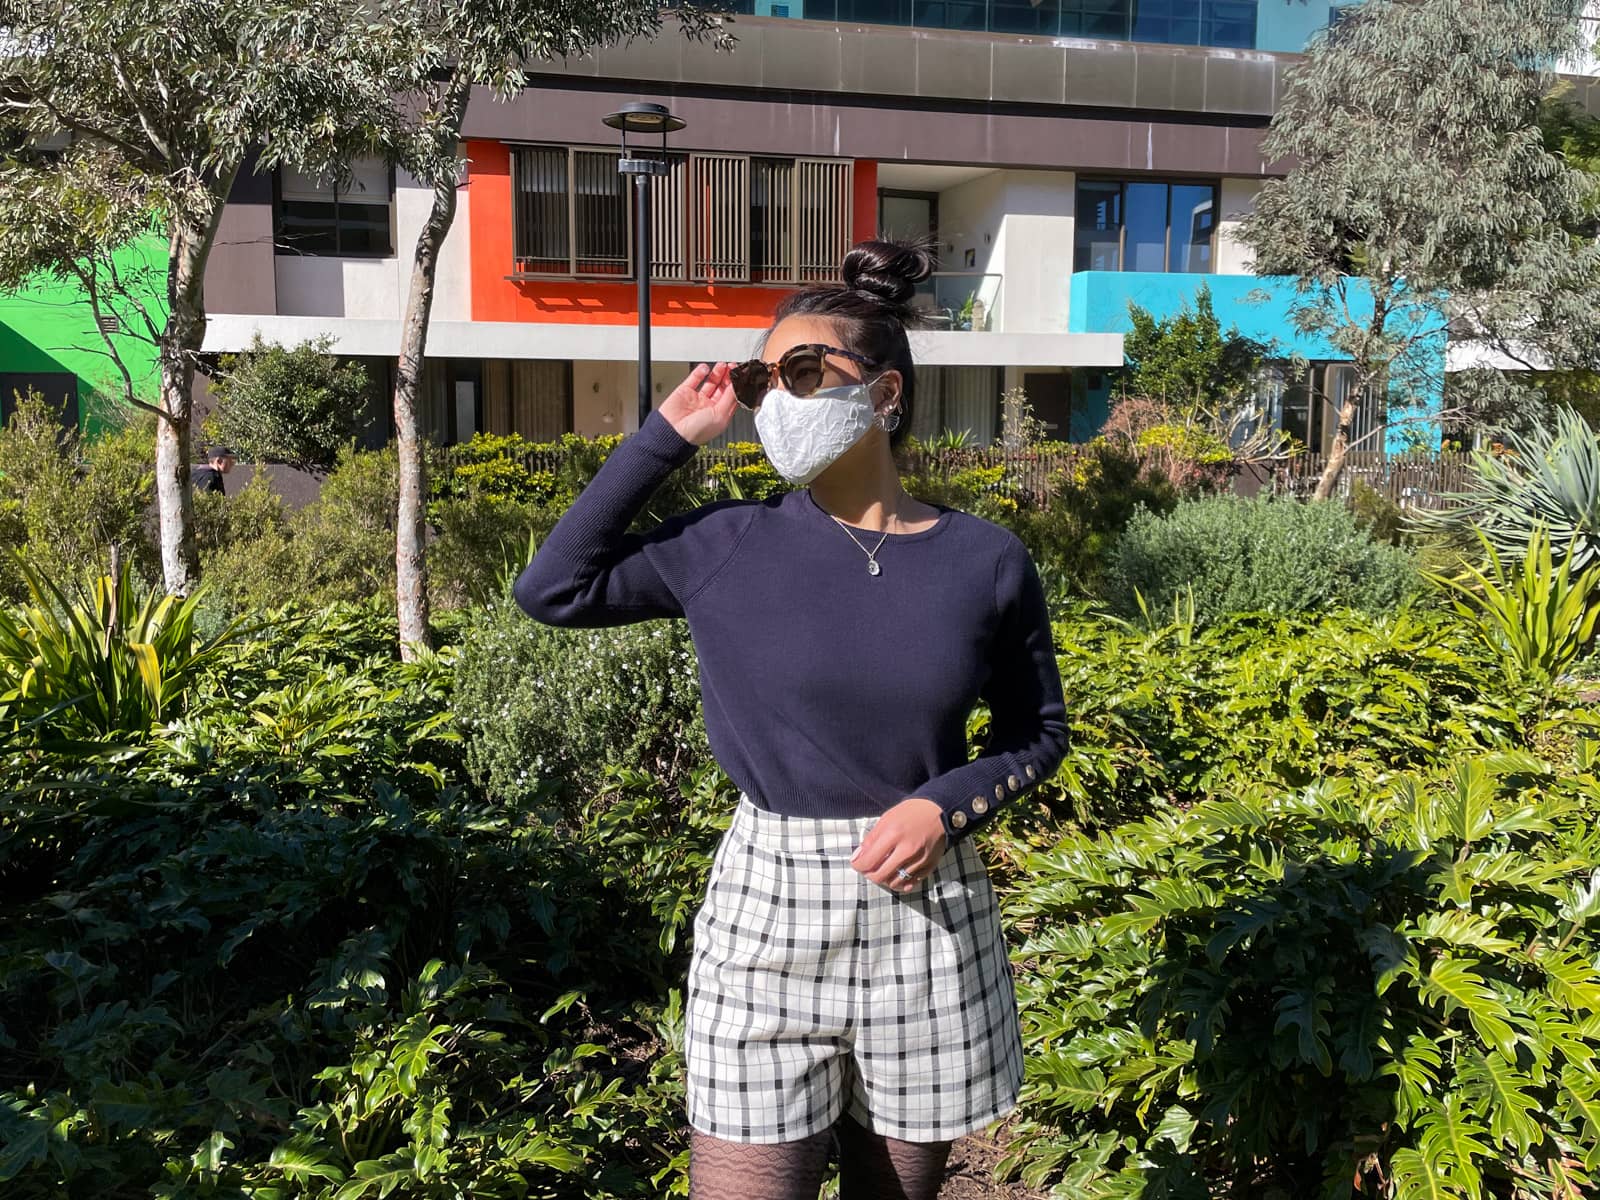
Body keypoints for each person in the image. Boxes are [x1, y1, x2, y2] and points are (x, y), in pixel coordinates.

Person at [514, 240, 1068, 1200]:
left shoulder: (986, 560)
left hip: (926, 913)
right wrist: (666, 436)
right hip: (768, 910)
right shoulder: (727, 543)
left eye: (807, 372)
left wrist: (947, 807)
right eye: (767, 377)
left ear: (886, 393)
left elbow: (1038, 733)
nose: (780, 397)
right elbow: (552, 588)